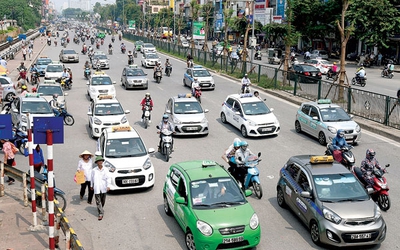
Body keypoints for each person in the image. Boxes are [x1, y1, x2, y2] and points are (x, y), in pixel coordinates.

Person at [90, 155, 111, 221]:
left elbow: (108, 178)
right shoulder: (94, 170)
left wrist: (108, 186)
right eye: (98, 161)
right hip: (97, 187)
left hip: (103, 187)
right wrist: (91, 185)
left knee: (103, 200)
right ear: (96, 162)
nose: (100, 162)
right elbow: (92, 179)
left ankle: (100, 208)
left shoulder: (106, 170)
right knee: (98, 200)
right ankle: (101, 213)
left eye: (101, 161)